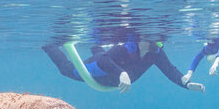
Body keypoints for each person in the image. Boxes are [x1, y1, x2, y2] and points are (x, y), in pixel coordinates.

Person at [42, 39, 205, 93]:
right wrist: (121, 73)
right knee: (67, 70)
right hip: (99, 70)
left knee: (100, 50)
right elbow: (103, 61)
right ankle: (49, 45)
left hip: (111, 77)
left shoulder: (156, 52)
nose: (154, 43)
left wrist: (187, 84)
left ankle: (95, 42)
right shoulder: (127, 46)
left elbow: (170, 70)